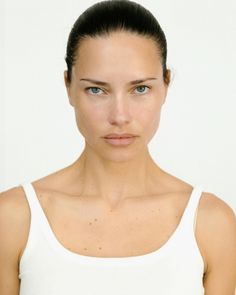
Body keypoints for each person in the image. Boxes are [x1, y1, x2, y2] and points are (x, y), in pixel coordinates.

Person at [0, 0, 236, 294]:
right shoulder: (12, 219)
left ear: (166, 85)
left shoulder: (211, 224)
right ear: (68, 87)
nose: (120, 116)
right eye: (96, 90)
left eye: (140, 89)